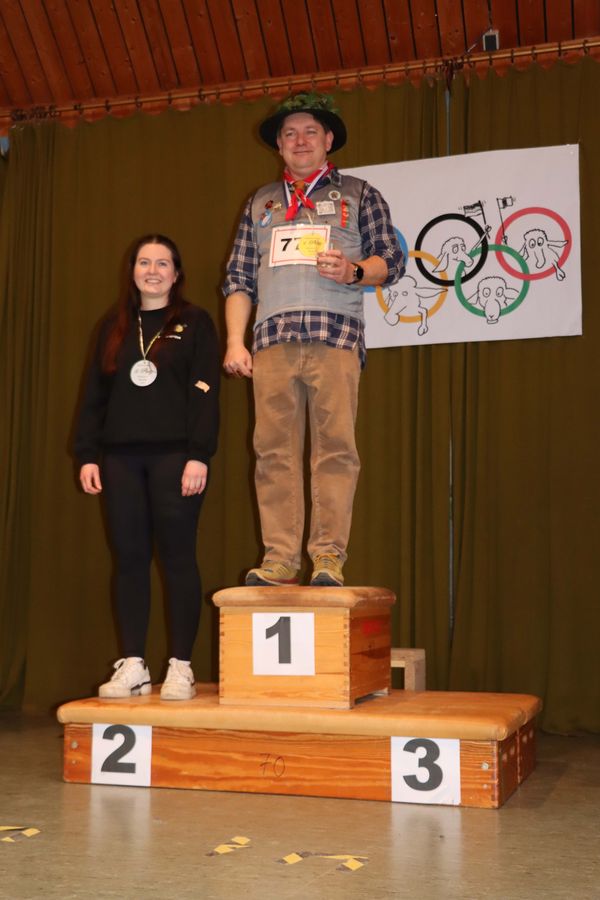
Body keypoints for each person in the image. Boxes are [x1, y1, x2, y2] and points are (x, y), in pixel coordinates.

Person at [223, 93, 404, 588]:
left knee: (336, 450)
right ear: (279, 146)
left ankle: (327, 556)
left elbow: (391, 259)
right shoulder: (260, 203)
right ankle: (280, 559)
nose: (299, 141)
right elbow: (238, 279)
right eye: (289, 134)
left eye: (309, 132)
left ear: (328, 140)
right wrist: (235, 342)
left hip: (335, 337)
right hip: (272, 342)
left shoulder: (360, 194)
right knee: (272, 451)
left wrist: (354, 270)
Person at [75, 234, 220, 700]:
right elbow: (94, 395)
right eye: (144, 262)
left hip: (176, 458)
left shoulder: (195, 322)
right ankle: (134, 664)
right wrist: (87, 454)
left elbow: (206, 392)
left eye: (162, 263)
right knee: (129, 560)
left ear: (176, 274)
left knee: (177, 558)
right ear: (132, 271)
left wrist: (199, 453)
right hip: (119, 459)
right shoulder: (113, 325)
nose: (152, 271)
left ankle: (180, 666)